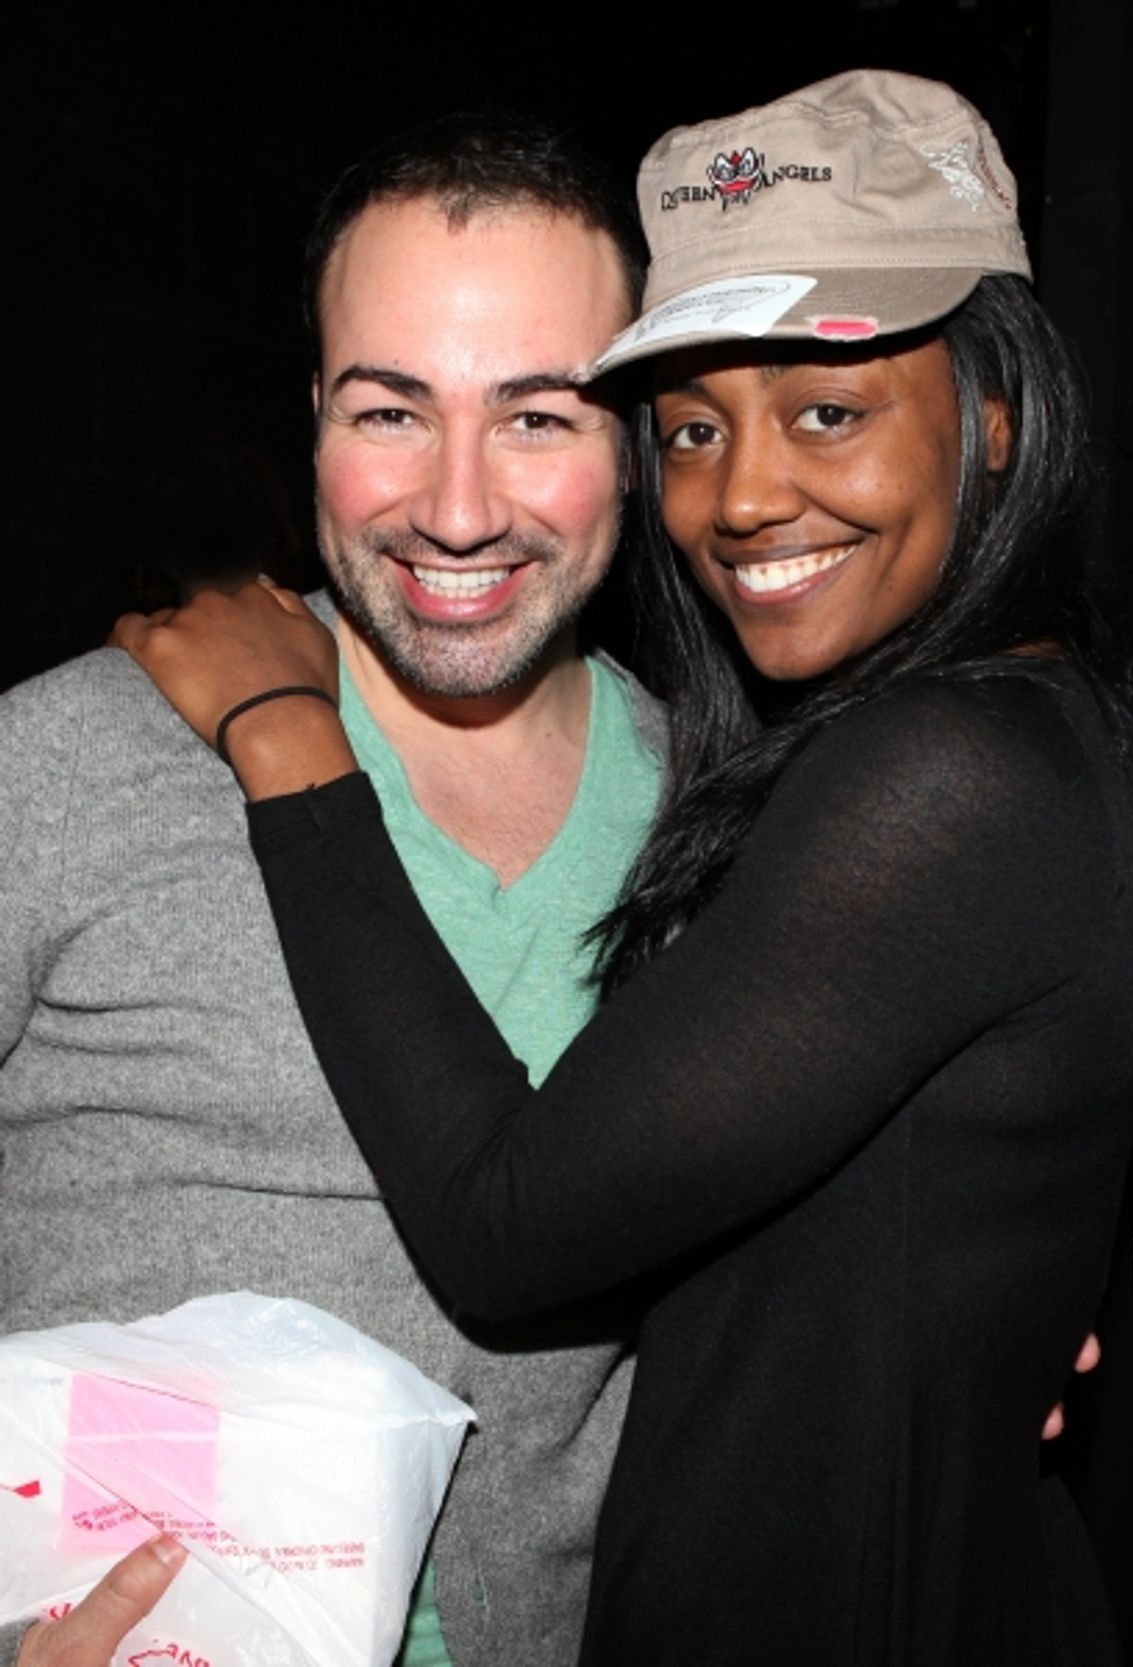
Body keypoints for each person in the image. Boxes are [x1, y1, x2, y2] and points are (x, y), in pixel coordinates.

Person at [117, 71, 1133, 1664]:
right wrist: (1035, 1280)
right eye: (691, 427)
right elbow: (987, 1079)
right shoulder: (986, 740)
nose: (743, 496)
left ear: (997, 411)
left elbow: (510, 1229)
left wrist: (290, 737)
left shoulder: (947, 772)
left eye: (827, 409)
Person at [0, 116, 666, 1667]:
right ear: (310, 414)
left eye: (539, 419)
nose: (453, 508)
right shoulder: (69, 760)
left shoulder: (740, 822)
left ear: (633, 434)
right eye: (391, 411)